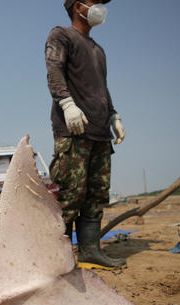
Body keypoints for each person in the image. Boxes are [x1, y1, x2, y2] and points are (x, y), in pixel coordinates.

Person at [45, 0, 127, 270]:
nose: (100, 8)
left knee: (96, 194)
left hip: (100, 132)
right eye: (95, 2)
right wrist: (66, 103)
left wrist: (114, 114)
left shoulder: (97, 49)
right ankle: (58, 257)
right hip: (74, 131)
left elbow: (101, 87)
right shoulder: (62, 35)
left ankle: (90, 249)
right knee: (70, 194)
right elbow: (54, 70)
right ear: (77, 5)